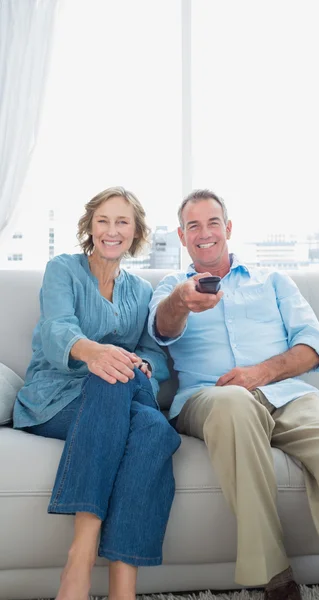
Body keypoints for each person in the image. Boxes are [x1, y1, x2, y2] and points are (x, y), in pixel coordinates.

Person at [148, 189, 319, 600]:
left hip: (287, 394)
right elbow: (161, 328)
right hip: (211, 398)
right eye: (193, 226)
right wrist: (182, 300)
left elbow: (312, 344)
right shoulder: (170, 287)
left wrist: (262, 372)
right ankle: (275, 577)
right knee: (233, 404)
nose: (204, 233)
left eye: (213, 222)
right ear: (182, 237)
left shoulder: (273, 282)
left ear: (228, 228)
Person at [13, 187, 181, 600]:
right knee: (113, 378)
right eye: (103, 220)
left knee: (156, 432)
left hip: (117, 394)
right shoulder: (63, 270)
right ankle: (81, 556)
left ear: (135, 230)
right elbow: (56, 328)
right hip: (56, 399)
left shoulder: (142, 291)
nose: (111, 230)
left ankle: (123, 586)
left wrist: (138, 363)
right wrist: (94, 352)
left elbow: (155, 356)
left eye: (122, 221)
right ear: (90, 225)